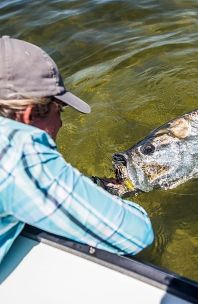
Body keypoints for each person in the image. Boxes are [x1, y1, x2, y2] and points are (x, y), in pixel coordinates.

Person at [0, 36, 154, 264]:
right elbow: (137, 235)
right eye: (59, 110)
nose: (60, 124)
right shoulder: (16, 149)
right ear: (28, 114)